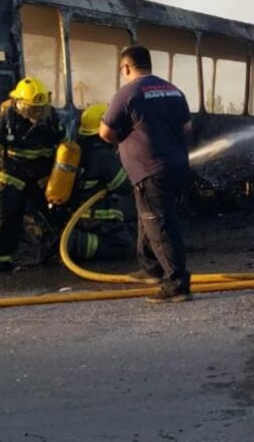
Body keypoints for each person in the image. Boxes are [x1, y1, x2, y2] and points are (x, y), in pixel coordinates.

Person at [99, 45, 193, 303]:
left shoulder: (127, 93)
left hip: (150, 168)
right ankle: (151, 269)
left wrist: (124, 142)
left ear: (126, 67)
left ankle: (177, 285)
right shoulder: (173, 90)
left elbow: (105, 133)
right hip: (176, 166)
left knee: (161, 227)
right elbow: (187, 127)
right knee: (148, 218)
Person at [0, 77, 62, 272]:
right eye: (32, 110)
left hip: (40, 178)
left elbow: (63, 146)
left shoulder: (52, 120)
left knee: (55, 215)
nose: (37, 114)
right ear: (20, 105)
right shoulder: (5, 121)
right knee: (6, 217)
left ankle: (55, 251)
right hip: (10, 176)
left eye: (41, 109)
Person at [66, 103, 135, 261]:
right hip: (97, 217)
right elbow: (124, 187)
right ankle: (74, 243)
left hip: (79, 215)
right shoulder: (103, 155)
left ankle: (74, 240)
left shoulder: (81, 149)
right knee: (121, 246)